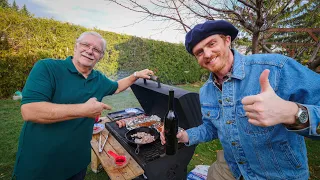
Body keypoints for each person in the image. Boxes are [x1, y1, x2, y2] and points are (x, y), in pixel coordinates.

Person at [161, 20, 320, 180]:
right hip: (234, 168)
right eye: (199, 52)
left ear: (227, 40)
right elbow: (212, 128)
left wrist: (291, 113)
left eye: (212, 44)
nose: (207, 54)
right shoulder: (206, 91)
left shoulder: (276, 68)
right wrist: (185, 136)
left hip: (279, 174)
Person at [13, 31, 154, 180]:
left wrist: (136, 75)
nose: (90, 51)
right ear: (76, 46)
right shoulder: (47, 68)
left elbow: (117, 86)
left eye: (97, 50)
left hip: (77, 164)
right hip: (40, 166)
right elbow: (30, 111)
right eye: (86, 45)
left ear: (101, 56)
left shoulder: (98, 78)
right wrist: (83, 110)